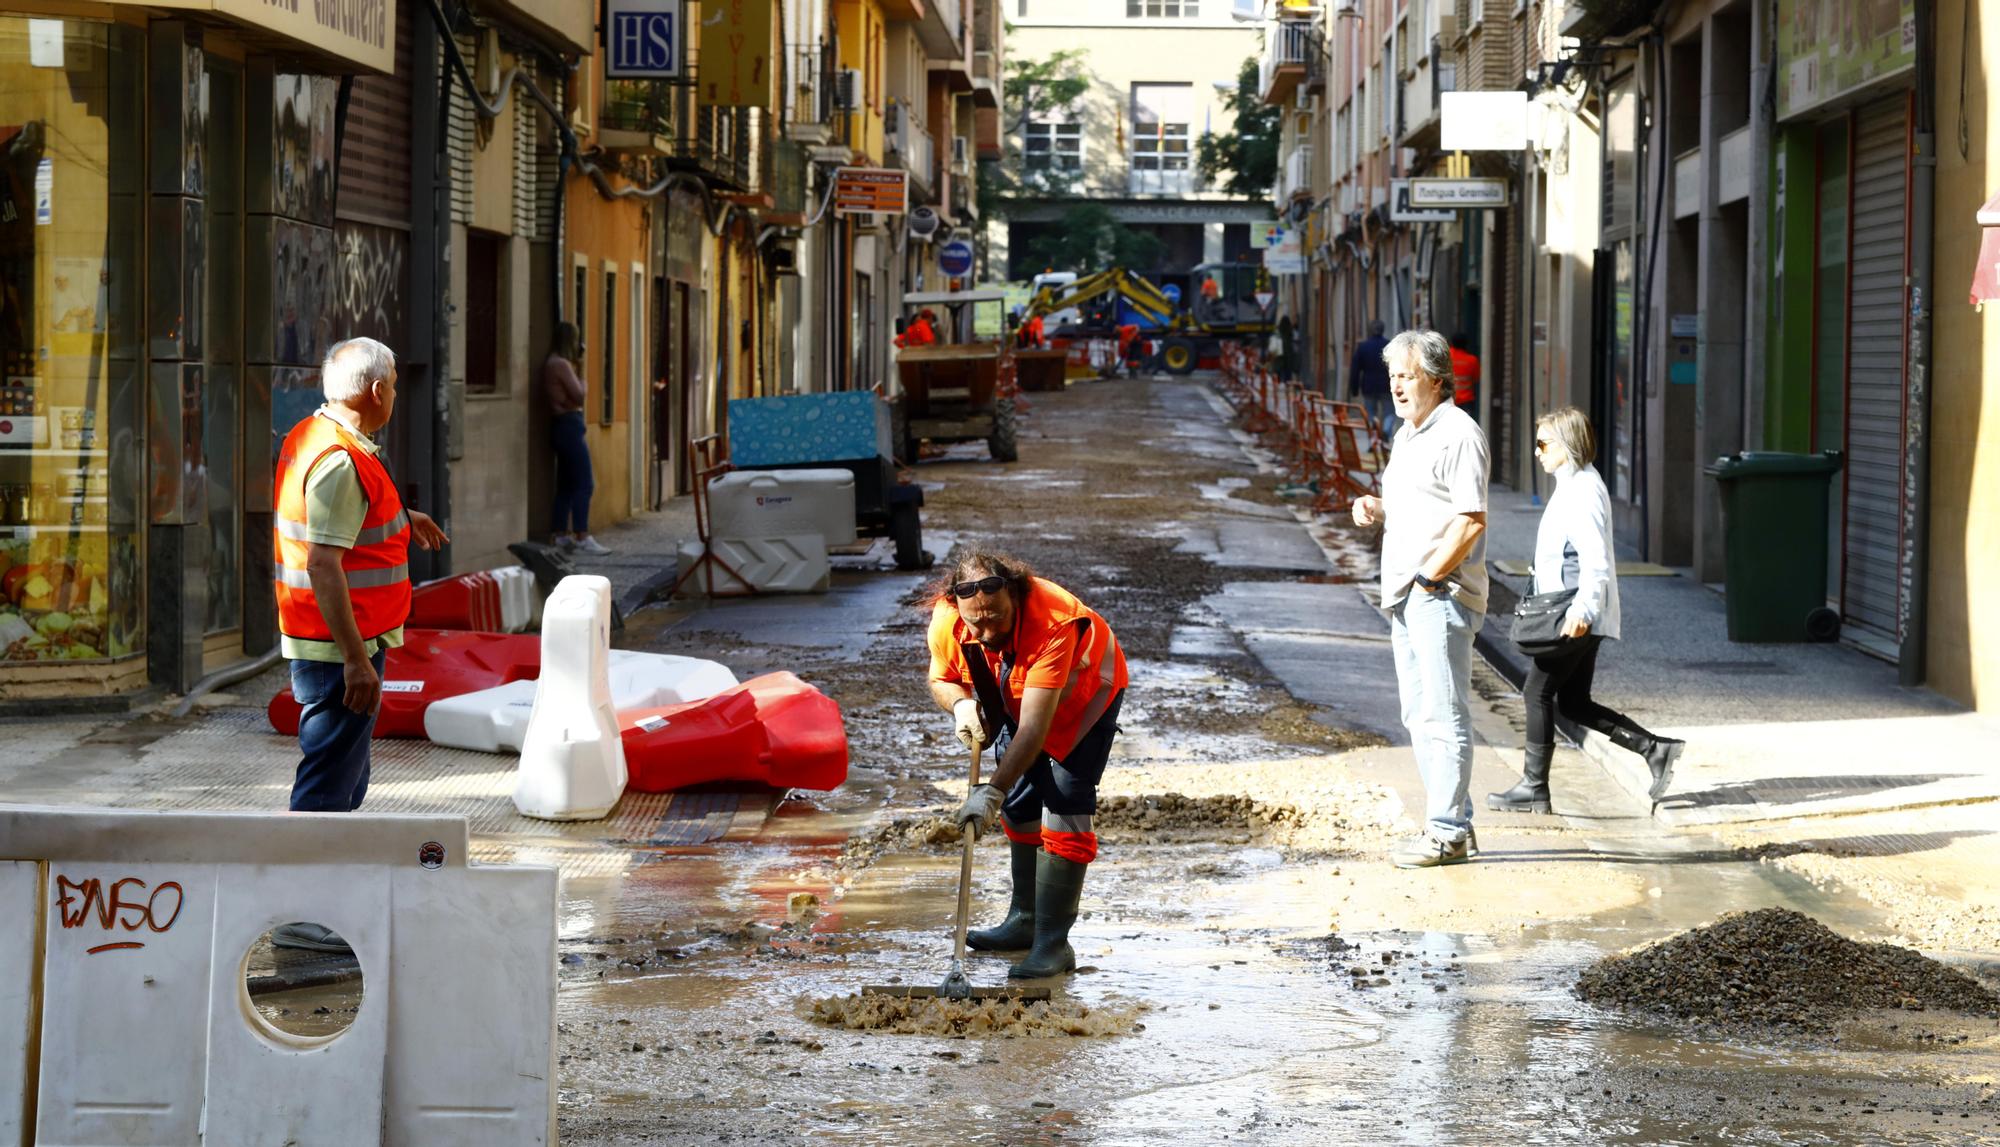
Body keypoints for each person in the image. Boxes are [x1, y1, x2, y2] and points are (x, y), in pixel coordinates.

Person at [272, 338, 448, 946]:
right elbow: (325, 562)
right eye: (395, 383)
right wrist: (355, 661)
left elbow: (347, 525)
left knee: (346, 776)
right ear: (376, 392)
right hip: (336, 648)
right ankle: (300, 917)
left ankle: (323, 904)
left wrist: (404, 517)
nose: (396, 392)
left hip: (339, 640)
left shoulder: (315, 435)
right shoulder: (341, 459)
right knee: (328, 781)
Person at [931, 552, 1127, 980]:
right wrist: (961, 704)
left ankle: (1054, 944)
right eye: (975, 624)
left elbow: (1035, 730)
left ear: (1016, 597)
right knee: (1020, 805)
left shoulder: (1055, 622)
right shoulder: (949, 618)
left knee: (1062, 806)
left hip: (1083, 698)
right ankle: (1024, 921)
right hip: (1019, 692)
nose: (985, 632)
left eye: (997, 620)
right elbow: (941, 677)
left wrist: (990, 792)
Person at [1487, 408, 1685, 814]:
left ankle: (1533, 787)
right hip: (1576, 611)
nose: (1537, 451)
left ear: (1567, 445)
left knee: (1536, 691)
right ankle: (1654, 749)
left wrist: (1583, 609)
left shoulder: (1582, 491)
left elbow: (1596, 559)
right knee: (1574, 702)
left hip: (1573, 614)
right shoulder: (1573, 485)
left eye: (1543, 443)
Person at [1350, 329, 1489, 868]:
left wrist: (1431, 578)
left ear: (1435, 378)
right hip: (1407, 591)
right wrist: (1376, 508)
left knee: (1445, 714)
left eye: (1406, 377)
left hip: (1439, 593)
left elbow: (1471, 518)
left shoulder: (1459, 434)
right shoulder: (1408, 432)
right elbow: (1420, 504)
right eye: (1392, 377)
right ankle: (1456, 823)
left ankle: (1448, 831)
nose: (1397, 387)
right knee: (1417, 714)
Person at [545, 322, 610, 555]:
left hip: (561, 424)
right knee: (584, 483)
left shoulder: (552, 363)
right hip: (569, 425)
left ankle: (560, 534)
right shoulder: (561, 364)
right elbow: (580, 396)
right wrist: (582, 375)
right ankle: (582, 535)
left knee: (565, 484)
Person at [1349, 320, 1393, 438]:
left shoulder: (1363, 347)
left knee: (1370, 414)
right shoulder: (1389, 346)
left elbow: (1355, 369)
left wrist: (1354, 388)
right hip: (1387, 386)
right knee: (1389, 412)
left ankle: (1373, 440)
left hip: (1368, 386)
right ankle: (1385, 432)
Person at [1449, 331, 1481, 420]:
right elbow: (1476, 379)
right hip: (1466, 402)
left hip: (1448, 400)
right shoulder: (1472, 360)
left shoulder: (1447, 357)